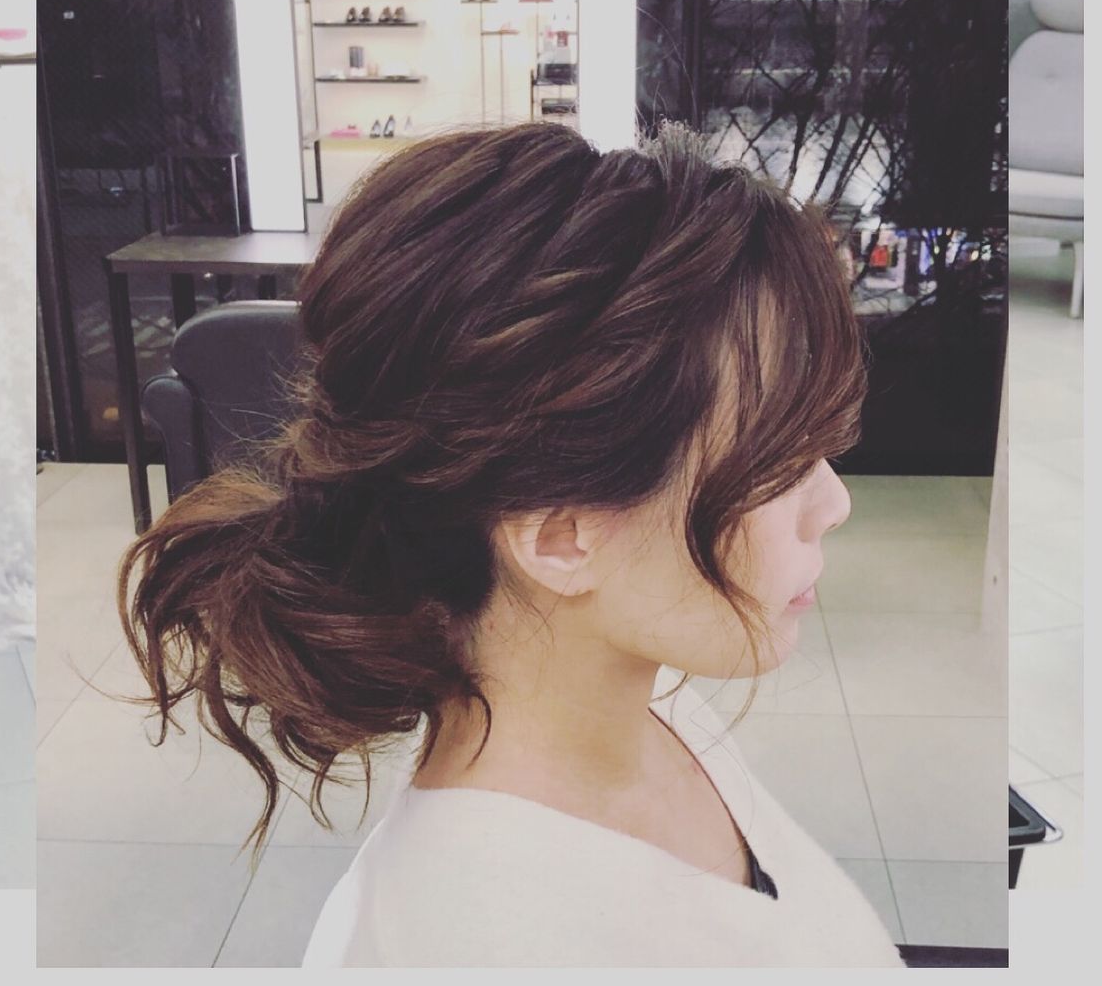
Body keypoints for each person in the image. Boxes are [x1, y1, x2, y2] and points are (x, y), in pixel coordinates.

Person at [118, 120, 906, 968]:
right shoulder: (471, 944)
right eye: (777, 462)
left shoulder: (656, 700)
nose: (833, 503)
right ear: (561, 537)